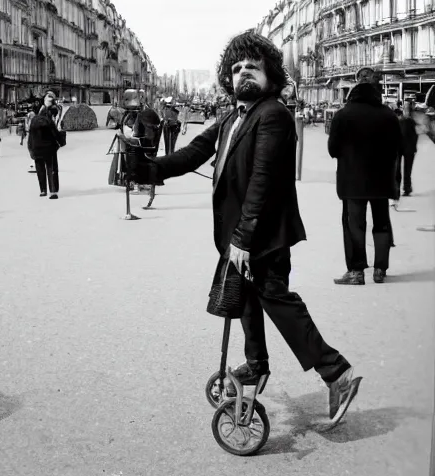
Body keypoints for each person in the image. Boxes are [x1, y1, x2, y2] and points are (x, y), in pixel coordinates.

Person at [128, 30, 360, 428]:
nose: (243, 74)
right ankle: (256, 365)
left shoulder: (273, 114)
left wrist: (243, 237)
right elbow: (191, 154)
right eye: (236, 69)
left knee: (274, 297)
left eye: (252, 66)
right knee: (248, 300)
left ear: (271, 73)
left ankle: (336, 372)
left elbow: (264, 178)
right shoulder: (234, 116)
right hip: (244, 234)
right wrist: (145, 167)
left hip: (263, 234)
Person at [328, 66, 401, 285]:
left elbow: (333, 150)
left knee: (354, 225)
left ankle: (356, 271)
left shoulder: (343, 115)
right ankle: (380, 269)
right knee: (381, 223)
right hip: (381, 181)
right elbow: (398, 147)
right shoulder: (388, 115)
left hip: (352, 181)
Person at [28, 92, 63, 199]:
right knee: (51, 168)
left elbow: (30, 136)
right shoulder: (49, 121)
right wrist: (61, 142)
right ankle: (53, 191)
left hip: (37, 147)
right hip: (49, 148)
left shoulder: (33, 121)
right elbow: (55, 133)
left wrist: (31, 149)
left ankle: (43, 190)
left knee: (40, 169)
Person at [393, 101, 418, 204]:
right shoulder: (408, 121)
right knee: (401, 169)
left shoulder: (406, 121)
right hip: (403, 148)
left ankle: (402, 189)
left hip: (404, 148)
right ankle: (402, 189)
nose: (406, 110)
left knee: (402, 170)